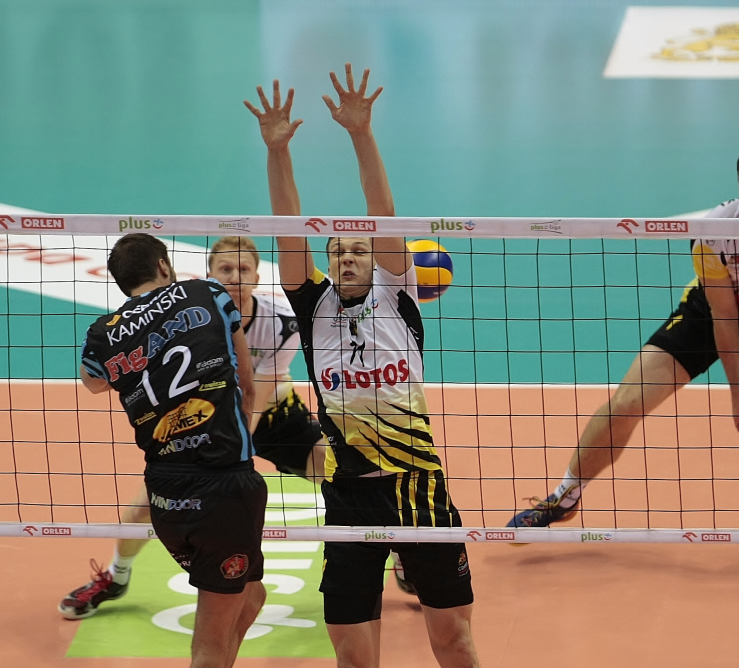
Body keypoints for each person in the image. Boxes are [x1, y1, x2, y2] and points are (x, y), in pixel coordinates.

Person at [508, 141, 739, 562]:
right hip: (708, 316)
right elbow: (723, 316)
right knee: (625, 404)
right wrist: (736, 394)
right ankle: (564, 496)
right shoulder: (712, 229)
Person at [246, 65, 480, 667]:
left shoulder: (396, 292)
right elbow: (287, 229)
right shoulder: (312, 307)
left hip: (418, 488)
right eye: (338, 251)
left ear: (376, 259)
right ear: (328, 264)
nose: (348, 256)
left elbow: (382, 209)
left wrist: (361, 133)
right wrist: (278, 152)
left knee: (453, 641)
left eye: (359, 248)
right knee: (353, 656)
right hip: (348, 498)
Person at [59, 235, 330, 620]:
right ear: (210, 275)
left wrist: (229, 459)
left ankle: (401, 550)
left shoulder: (281, 324)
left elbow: (256, 394)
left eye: (243, 269)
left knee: (345, 474)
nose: (234, 276)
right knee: (141, 510)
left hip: (270, 414)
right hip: (202, 417)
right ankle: (117, 577)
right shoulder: (191, 309)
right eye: (225, 269)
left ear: (257, 277)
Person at [78, 233, 266, 667]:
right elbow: (247, 386)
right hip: (223, 485)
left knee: (251, 595)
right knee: (208, 648)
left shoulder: (101, 334)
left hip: (163, 494)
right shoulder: (208, 293)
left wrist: (137, 352)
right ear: (164, 265)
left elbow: (93, 383)